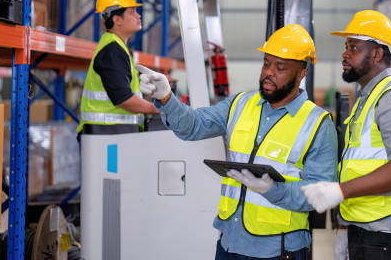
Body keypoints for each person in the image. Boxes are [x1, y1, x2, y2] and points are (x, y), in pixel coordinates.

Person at [138, 24, 338, 260]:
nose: (269, 72)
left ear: (302, 73)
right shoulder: (240, 104)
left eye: (280, 67)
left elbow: (321, 194)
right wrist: (165, 98)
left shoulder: (317, 124)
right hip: (229, 243)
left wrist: (275, 190)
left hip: (279, 251)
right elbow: (192, 126)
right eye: (266, 63)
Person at [301, 10, 391, 260]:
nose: (344, 54)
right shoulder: (366, 98)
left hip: (387, 235)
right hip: (365, 230)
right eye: (346, 46)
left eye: (354, 47)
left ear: (378, 53)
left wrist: (341, 191)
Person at [78, 0, 158, 135]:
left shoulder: (117, 47)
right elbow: (124, 100)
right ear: (117, 19)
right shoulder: (112, 51)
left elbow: (121, 83)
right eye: (132, 12)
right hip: (107, 136)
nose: (138, 15)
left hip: (112, 133)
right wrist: (158, 109)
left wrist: (147, 81)